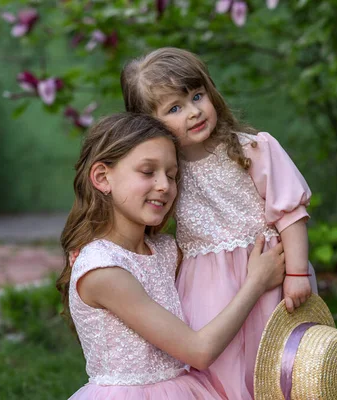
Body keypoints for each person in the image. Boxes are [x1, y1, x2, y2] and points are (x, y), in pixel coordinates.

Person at [121, 47, 319, 399]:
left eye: (197, 96)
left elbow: (290, 214)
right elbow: (138, 218)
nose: (194, 112)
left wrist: (298, 273)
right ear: (150, 124)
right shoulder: (167, 174)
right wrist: (97, 245)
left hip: (269, 276)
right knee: (220, 369)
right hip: (204, 291)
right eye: (175, 108)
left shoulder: (251, 150)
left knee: (275, 363)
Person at [57, 112, 287, 399]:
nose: (164, 185)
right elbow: (199, 352)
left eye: (172, 175)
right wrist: (256, 282)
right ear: (103, 177)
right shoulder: (103, 271)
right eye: (147, 171)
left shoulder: (164, 249)